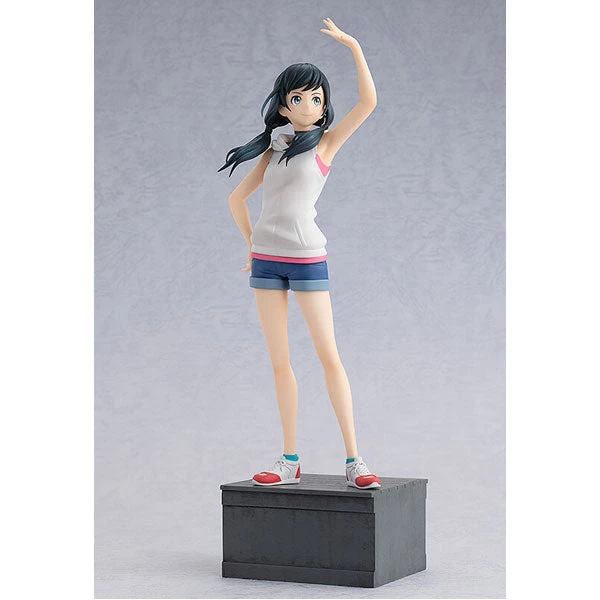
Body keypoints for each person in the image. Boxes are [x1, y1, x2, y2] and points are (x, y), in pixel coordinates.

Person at [218, 18, 381, 490]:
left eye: (316, 99)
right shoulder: (273, 150)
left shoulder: (326, 144)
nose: (308, 106)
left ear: (324, 106)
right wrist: (251, 245)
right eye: (297, 98)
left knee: (329, 356)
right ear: (282, 104)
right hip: (267, 262)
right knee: (280, 362)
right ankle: (289, 459)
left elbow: (368, 103)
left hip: (308, 258)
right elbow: (236, 199)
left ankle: (355, 460)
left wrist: (354, 46)